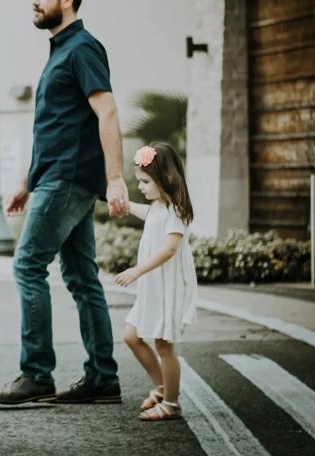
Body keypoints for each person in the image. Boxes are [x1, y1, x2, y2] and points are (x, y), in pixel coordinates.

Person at [0, 0, 127, 406]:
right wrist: (26, 181)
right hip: (57, 177)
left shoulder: (82, 48)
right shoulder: (60, 52)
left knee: (28, 266)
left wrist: (117, 178)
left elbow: (107, 113)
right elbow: (57, 127)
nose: (34, 0)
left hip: (68, 180)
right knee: (83, 277)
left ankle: (36, 374)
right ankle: (102, 378)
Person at [115, 142, 198, 421]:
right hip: (153, 288)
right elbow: (146, 213)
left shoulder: (175, 210)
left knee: (164, 346)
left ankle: (172, 404)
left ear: (165, 179)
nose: (140, 186)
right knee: (131, 336)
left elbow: (170, 249)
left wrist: (137, 270)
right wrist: (124, 206)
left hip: (167, 288)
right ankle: (163, 387)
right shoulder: (158, 207)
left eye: (145, 181)